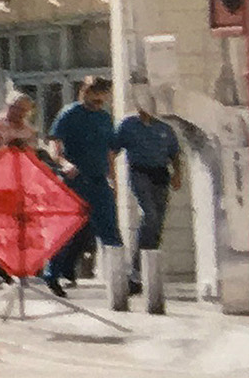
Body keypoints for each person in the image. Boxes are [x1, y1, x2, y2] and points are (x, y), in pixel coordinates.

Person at [44, 76, 118, 296]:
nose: (98, 102)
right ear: (85, 92)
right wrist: (64, 163)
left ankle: (119, 283)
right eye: (94, 96)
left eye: (102, 98)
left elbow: (109, 152)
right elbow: (53, 145)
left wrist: (112, 179)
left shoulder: (105, 118)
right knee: (67, 228)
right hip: (74, 181)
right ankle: (52, 274)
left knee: (110, 230)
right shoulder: (69, 114)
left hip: (98, 180)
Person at [113, 95, 182, 292]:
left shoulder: (164, 128)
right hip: (139, 171)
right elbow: (114, 149)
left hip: (160, 173)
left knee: (158, 222)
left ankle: (145, 268)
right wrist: (110, 174)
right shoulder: (128, 124)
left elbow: (174, 154)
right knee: (150, 215)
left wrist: (177, 174)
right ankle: (135, 271)